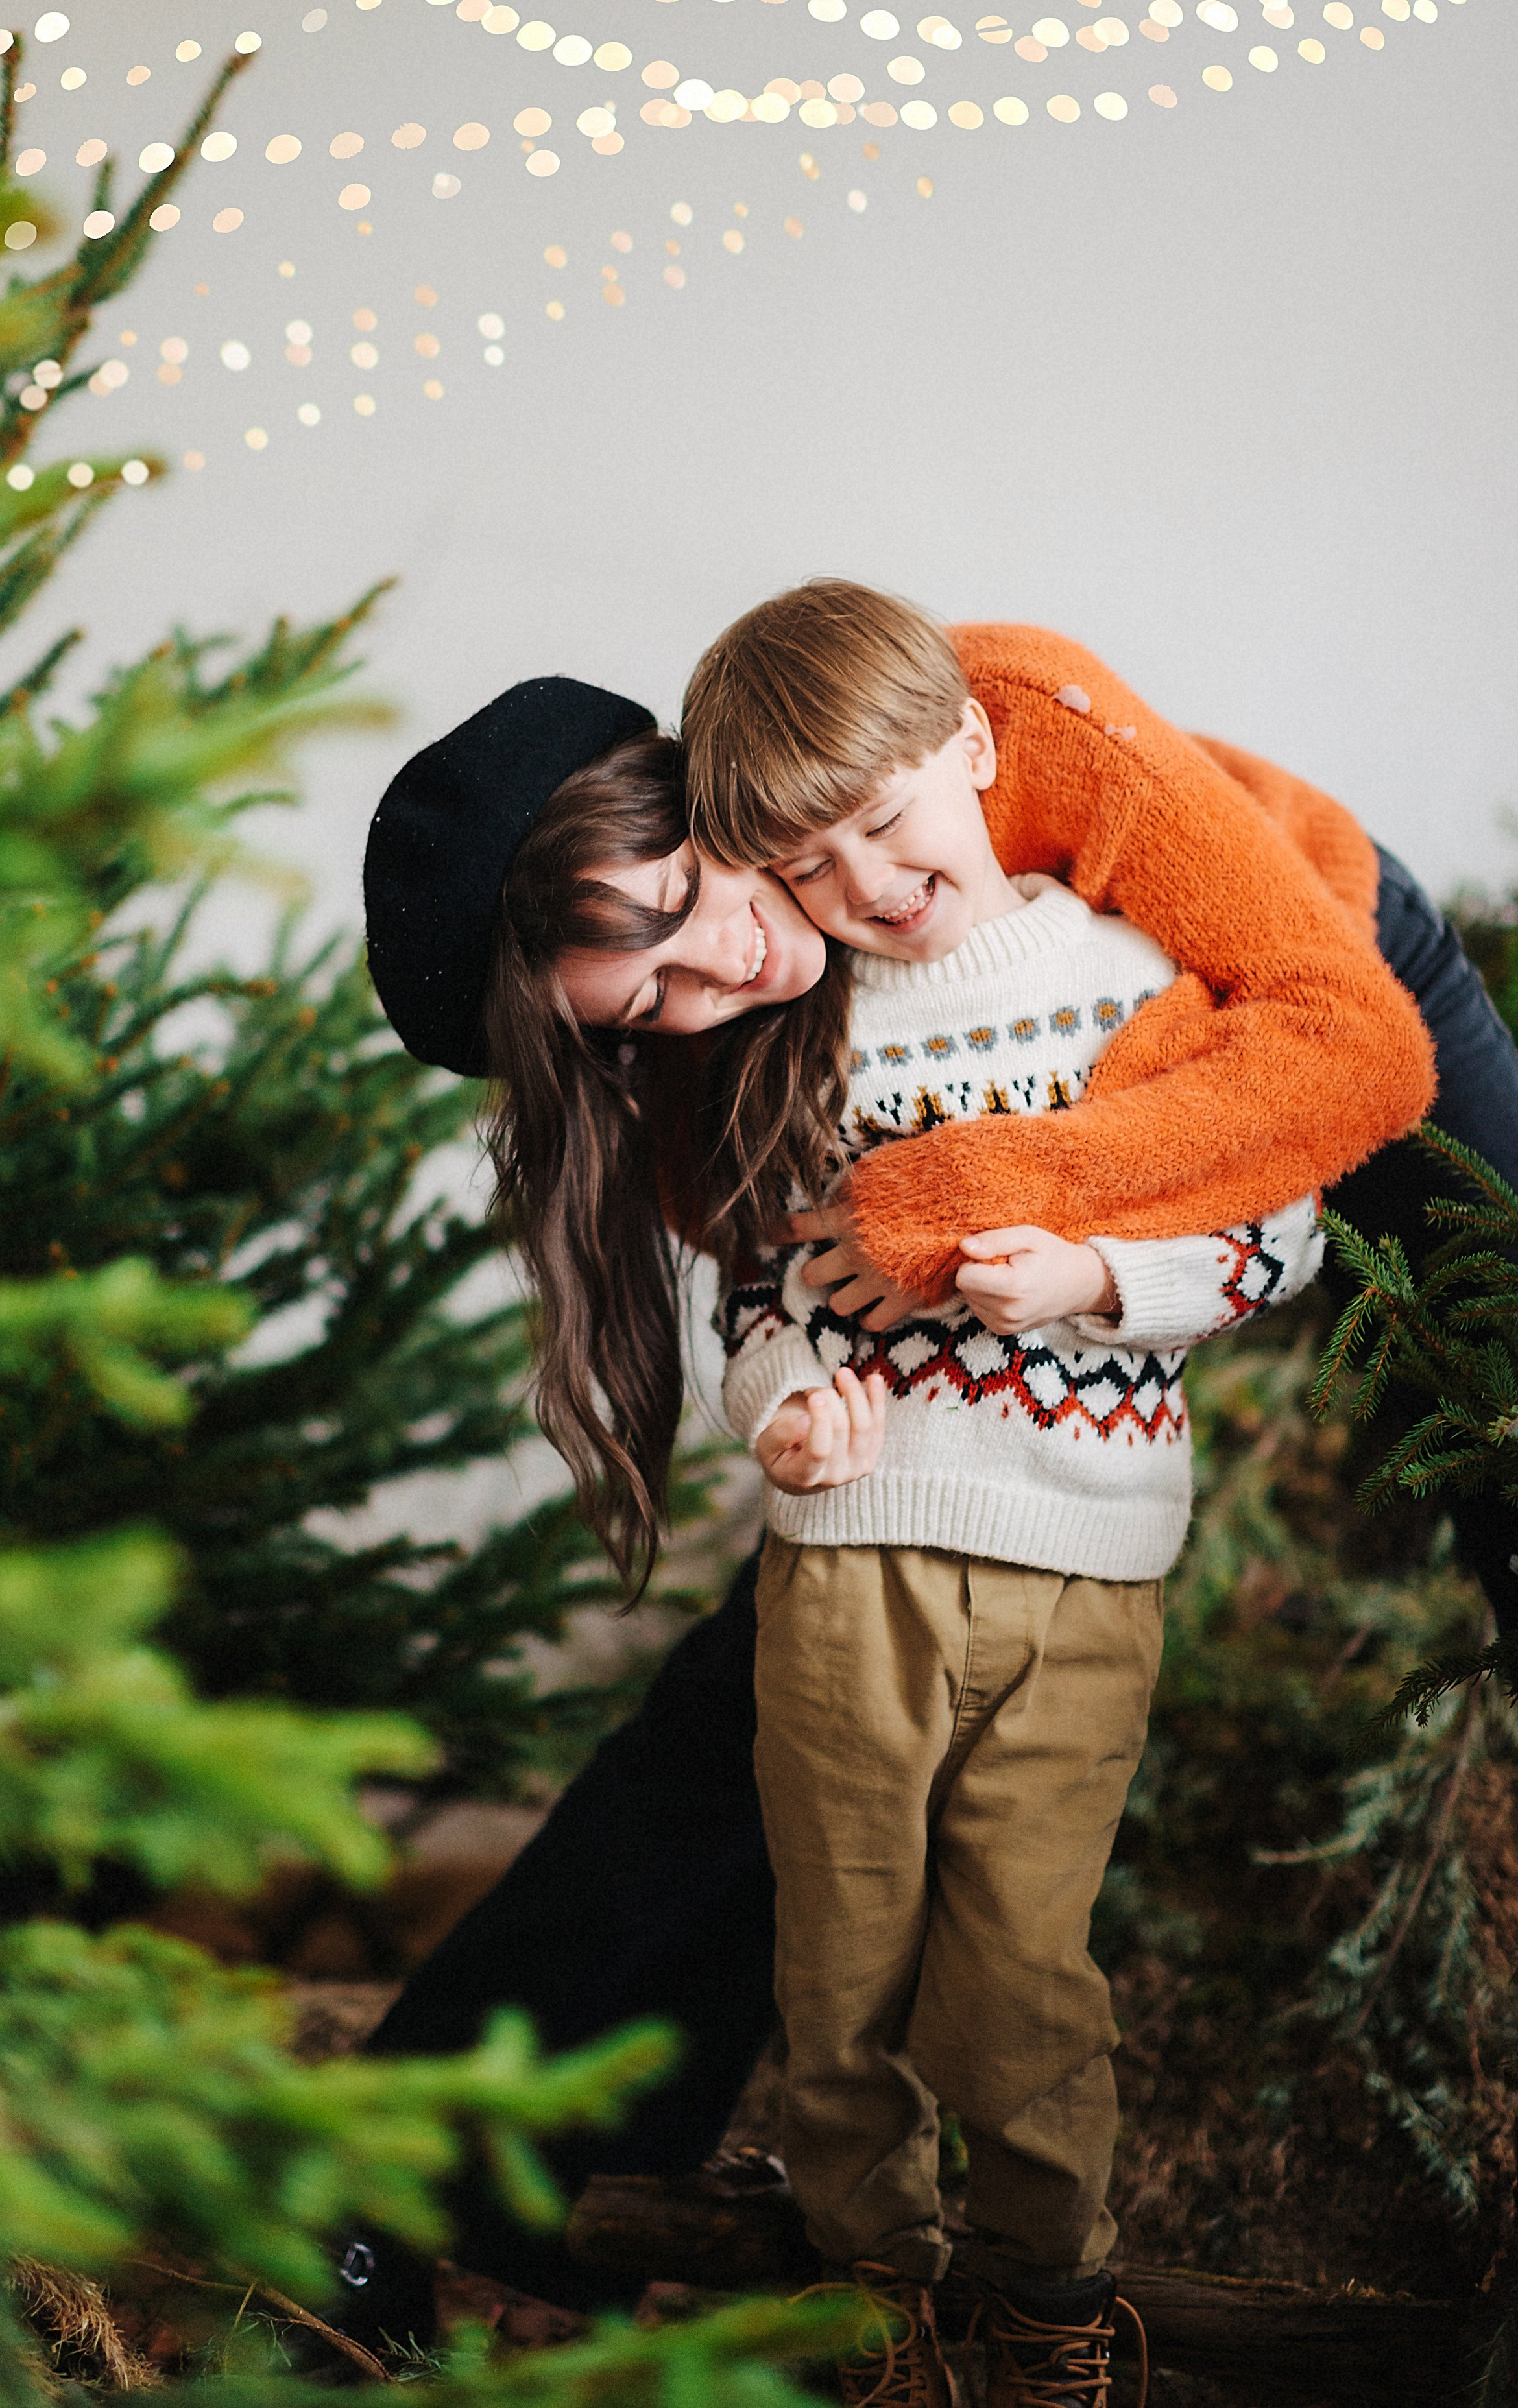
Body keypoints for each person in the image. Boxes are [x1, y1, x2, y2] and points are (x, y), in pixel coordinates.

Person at [349, 625, 1518, 2346]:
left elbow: (1344, 1046)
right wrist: (804, 1401)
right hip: (1031, 1282)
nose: (722, 968)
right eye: (644, 1007)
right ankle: (462, 2174)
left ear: (693, 787)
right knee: (800, 1671)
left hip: (1320, 980)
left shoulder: (981, 724)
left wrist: (983, 1190)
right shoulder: (726, 1023)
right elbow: (775, 1304)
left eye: (685, 902)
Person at [692, 586, 1327, 2403]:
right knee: (840, 1963)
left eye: (886, 822)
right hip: (851, 1573)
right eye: (808, 868)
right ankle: (869, 2286)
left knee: (1025, 1971)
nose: (868, 885)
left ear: (972, 747)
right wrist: (783, 1408)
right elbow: (753, 1295)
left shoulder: (1132, 983)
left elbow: (1276, 1233)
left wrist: (1101, 1278)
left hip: (1084, 1570)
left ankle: (1054, 2293)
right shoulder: (797, 1037)